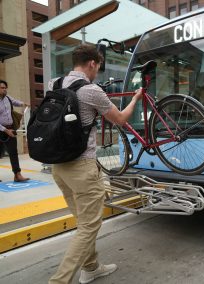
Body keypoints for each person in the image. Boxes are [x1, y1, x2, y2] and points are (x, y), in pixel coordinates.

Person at [48, 45, 143, 284]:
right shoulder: (91, 90)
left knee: (83, 223)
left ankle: (91, 268)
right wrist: (135, 99)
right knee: (89, 227)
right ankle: (58, 281)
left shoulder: (53, 84)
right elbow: (120, 119)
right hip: (82, 167)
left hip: (58, 166)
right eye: (98, 67)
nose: (97, 72)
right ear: (92, 63)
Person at [0, 79, 30, 182]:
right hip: (1, 129)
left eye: (5, 88)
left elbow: (15, 102)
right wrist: (5, 130)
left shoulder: (7, 98)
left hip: (10, 128)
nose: (4, 90)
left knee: (13, 152)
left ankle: (17, 175)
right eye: (2, 88)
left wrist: (24, 104)